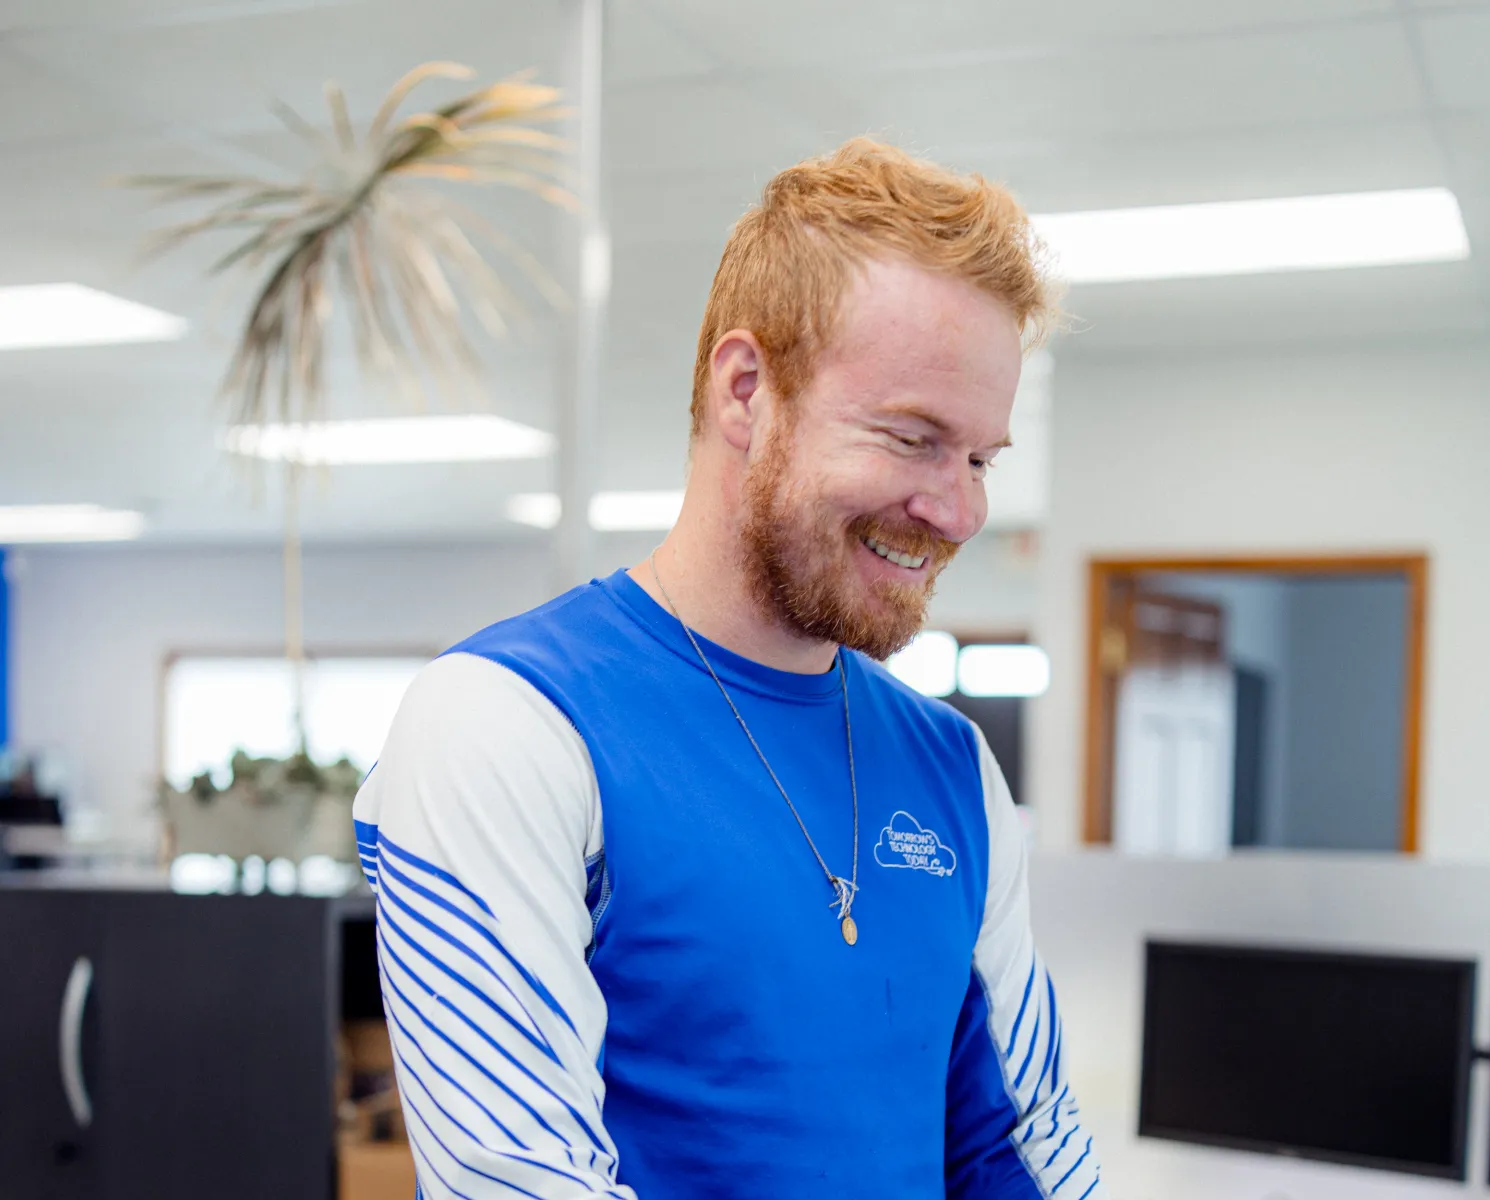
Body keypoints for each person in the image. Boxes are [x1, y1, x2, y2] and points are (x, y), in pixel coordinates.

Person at [355, 138, 1099, 1200]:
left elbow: (1023, 1151)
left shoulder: (954, 768)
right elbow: (513, 1183)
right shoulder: (504, 722)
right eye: (910, 436)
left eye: (979, 457)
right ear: (746, 390)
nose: (959, 508)